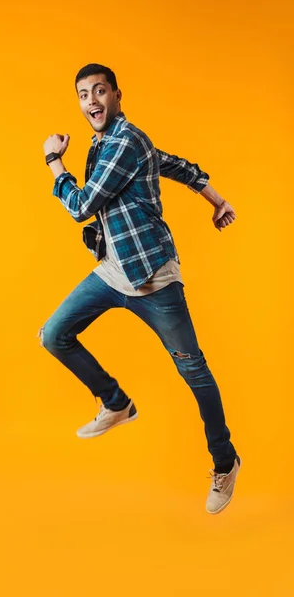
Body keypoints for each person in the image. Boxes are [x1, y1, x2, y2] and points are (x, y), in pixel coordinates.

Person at [39, 63, 241, 515]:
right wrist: (216, 199)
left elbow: (81, 205)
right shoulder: (107, 143)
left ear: (117, 95)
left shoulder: (125, 141)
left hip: (153, 276)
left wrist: (54, 162)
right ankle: (116, 403)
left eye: (99, 91)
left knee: (194, 373)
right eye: (82, 94)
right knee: (54, 335)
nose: (91, 101)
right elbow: (176, 165)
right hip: (115, 271)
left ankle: (226, 463)